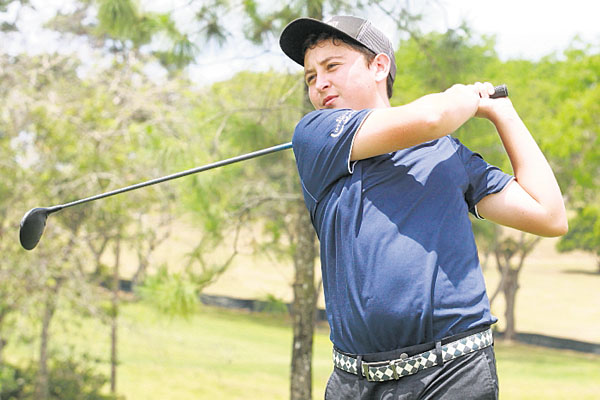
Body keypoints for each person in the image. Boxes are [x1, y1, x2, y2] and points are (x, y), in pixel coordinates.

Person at [279, 15, 568, 400]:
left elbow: (549, 215)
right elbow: (433, 117)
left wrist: (502, 113)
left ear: (379, 65)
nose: (320, 84)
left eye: (332, 66)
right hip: (355, 382)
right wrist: (466, 97)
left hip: (454, 374)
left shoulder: (448, 153)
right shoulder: (316, 135)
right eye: (311, 77)